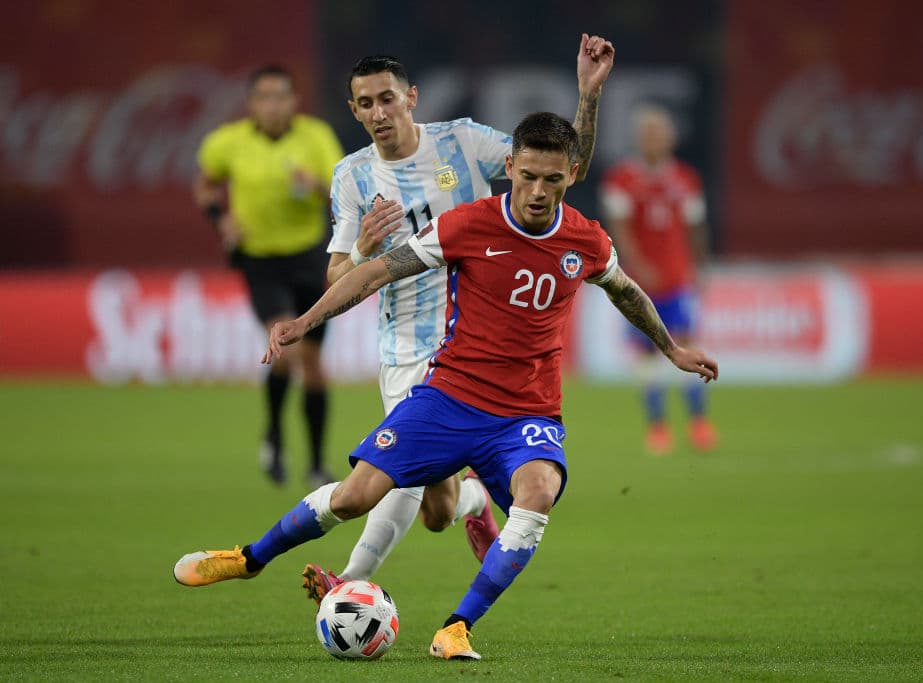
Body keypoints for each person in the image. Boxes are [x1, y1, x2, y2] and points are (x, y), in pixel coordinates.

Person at [174, 111, 718, 661]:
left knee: (537, 498)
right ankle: (248, 559)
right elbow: (376, 271)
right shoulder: (469, 224)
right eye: (527, 175)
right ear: (510, 166)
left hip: (528, 414)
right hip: (449, 398)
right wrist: (303, 323)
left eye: (552, 180)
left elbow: (625, 291)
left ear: (571, 176)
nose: (537, 191)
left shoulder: (586, 240)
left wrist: (671, 348)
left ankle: (456, 627)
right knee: (364, 497)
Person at [303, 35, 614, 592]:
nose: (379, 112)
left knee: (395, 482)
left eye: (387, 99)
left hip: (471, 345)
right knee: (438, 511)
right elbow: (337, 276)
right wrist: (362, 254)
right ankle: (472, 499)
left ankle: (348, 582)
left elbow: (566, 170)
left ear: (411, 97)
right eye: (366, 103)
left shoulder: (462, 143)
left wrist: (587, 96)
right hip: (404, 343)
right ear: (353, 110)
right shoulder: (351, 176)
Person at [193, 65, 344, 487]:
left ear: (294, 101)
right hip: (259, 259)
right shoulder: (228, 142)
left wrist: (314, 184)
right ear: (252, 103)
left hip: (309, 256)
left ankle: (315, 462)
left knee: (313, 364)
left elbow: (340, 191)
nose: (273, 105)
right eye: (264, 97)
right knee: (287, 352)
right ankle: (276, 435)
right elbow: (205, 186)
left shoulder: (315, 137)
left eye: (281, 96)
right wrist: (220, 218)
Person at [599, 103, 716, 454]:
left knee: (688, 345)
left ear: (671, 138)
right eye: (647, 133)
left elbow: (695, 228)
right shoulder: (621, 179)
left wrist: (701, 267)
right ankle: (658, 428)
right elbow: (618, 227)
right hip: (637, 285)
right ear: (638, 139)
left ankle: (699, 423)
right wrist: (636, 263)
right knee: (647, 355)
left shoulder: (686, 178)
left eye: (659, 132)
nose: (653, 139)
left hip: (677, 279)